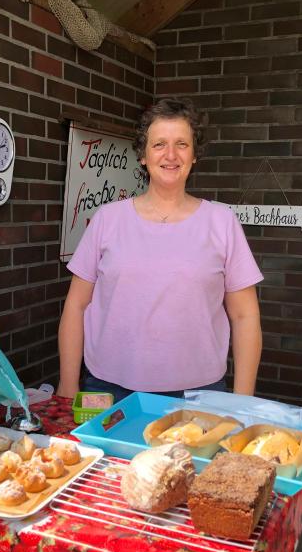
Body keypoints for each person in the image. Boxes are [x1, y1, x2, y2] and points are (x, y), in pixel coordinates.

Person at [56, 98, 263, 403]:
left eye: (182, 144)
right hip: (106, 389)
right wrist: (67, 385)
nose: (170, 155)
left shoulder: (222, 222)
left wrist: (244, 401)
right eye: (159, 144)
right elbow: (76, 306)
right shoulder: (107, 220)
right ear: (143, 155)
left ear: (194, 155)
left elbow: (245, 316)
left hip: (197, 394)